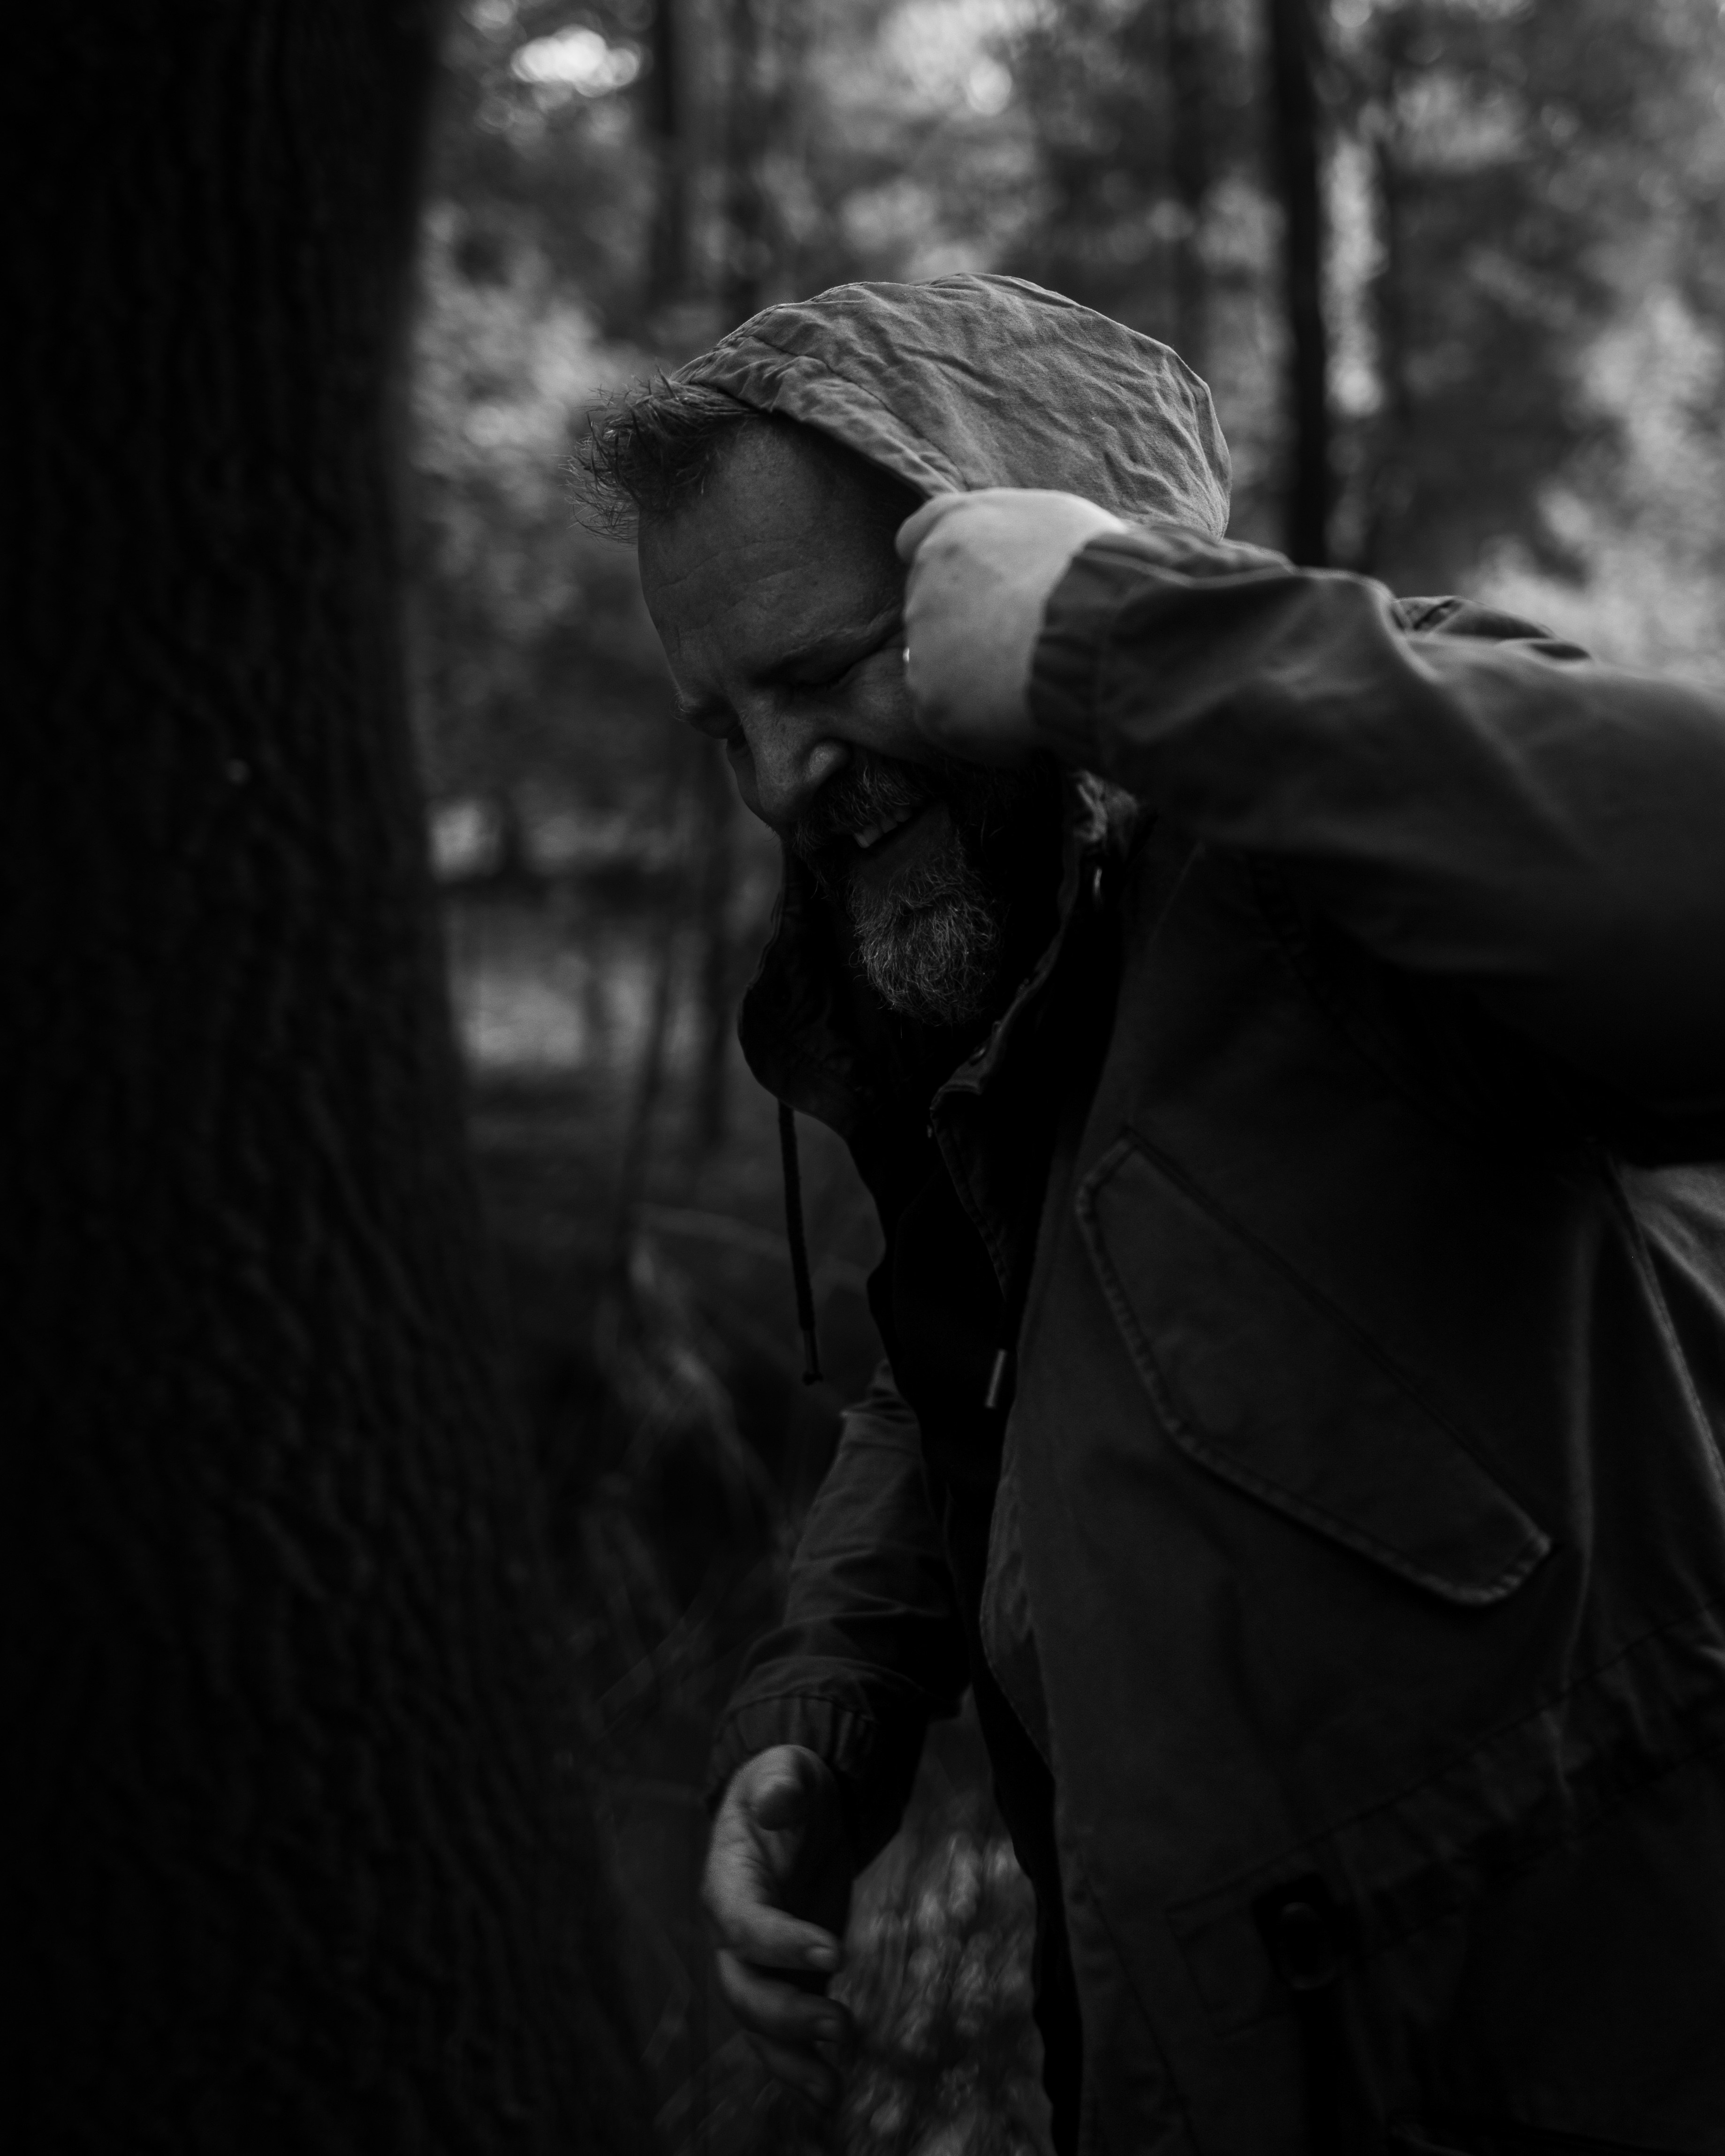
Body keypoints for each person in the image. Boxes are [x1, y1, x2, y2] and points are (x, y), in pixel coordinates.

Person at [582, 273, 1725, 2155]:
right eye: (721, 727)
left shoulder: (1323, 847)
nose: (777, 783)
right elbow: (976, 1366)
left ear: (1017, 572)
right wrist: (824, 1707)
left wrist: (1129, 638)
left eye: (828, 668)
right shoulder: (987, 987)